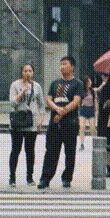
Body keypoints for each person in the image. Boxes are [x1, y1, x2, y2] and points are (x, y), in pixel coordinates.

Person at [38, 56, 84, 189]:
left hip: (70, 123)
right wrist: (57, 109)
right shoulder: (55, 83)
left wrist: (62, 112)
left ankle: (67, 178)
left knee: (70, 152)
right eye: (61, 64)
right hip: (54, 122)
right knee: (51, 150)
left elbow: (76, 101)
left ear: (72, 67)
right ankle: (45, 178)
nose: (62, 67)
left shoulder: (77, 84)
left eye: (65, 64)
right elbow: (49, 99)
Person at [9, 63, 44, 186]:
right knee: (15, 150)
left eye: (30, 71)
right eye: (25, 71)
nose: (28, 73)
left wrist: (41, 119)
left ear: (33, 73)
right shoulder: (15, 85)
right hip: (18, 123)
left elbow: (41, 104)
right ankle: (12, 177)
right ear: (21, 72)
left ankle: (30, 177)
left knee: (30, 151)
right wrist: (22, 92)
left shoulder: (37, 86)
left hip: (32, 123)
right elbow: (12, 103)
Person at [78, 75, 97, 150]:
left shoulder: (92, 91)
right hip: (83, 109)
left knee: (92, 127)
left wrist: (96, 111)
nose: (90, 82)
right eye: (89, 81)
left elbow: (95, 101)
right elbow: (79, 102)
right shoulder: (81, 91)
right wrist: (79, 110)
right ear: (86, 82)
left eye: (90, 81)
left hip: (91, 109)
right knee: (82, 127)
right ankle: (82, 144)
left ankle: (95, 143)